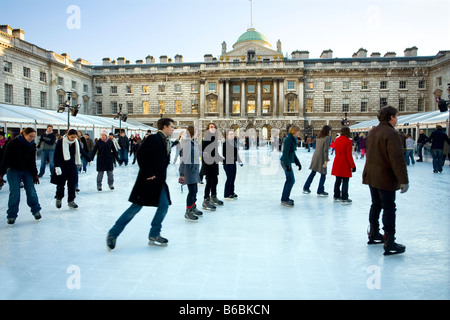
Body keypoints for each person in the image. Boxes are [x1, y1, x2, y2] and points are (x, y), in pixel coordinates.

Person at [106, 118, 175, 249]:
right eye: (171, 126)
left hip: (159, 182)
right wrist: (148, 173)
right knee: (135, 208)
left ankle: (154, 234)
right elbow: (141, 155)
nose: (173, 129)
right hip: (147, 182)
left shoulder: (165, 141)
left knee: (164, 205)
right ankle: (113, 233)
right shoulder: (153, 139)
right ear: (164, 127)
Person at [362, 106, 409, 255]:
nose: (397, 120)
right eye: (396, 116)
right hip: (385, 176)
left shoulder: (372, 131)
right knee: (389, 207)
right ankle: (390, 242)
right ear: (391, 117)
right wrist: (403, 180)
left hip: (372, 175)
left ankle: (374, 233)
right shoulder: (391, 133)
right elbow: (397, 159)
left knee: (376, 204)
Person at [0, 128, 42, 224]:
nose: (32, 138)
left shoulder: (32, 145)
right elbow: (5, 159)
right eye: (30, 136)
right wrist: (1, 174)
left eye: (34, 137)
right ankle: (11, 215)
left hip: (27, 171)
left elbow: (32, 161)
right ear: (24, 134)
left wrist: (34, 174)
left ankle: (36, 210)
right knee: (15, 193)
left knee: (31, 191)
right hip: (13, 170)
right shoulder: (13, 143)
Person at [52, 129, 82, 209]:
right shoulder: (60, 142)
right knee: (61, 184)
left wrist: (89, 158)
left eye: (75, 137)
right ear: (67, 135)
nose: (73, 139)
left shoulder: (76, 142)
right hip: (62, 166)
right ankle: (59, 198)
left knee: (72, 184)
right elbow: (56, 155)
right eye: (72, 137)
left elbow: (81, 151)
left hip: (72, 165)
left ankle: (71, 201)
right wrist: (57, 166)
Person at [179, 126, 203, 222]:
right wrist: (182, 174)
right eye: (197, 132)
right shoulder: (187, 143)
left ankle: (193, 207)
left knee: (195, 191)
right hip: (189, 171)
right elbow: (183, 159)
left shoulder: (193, 143)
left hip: (194, 170)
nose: (198, 134)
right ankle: (188, 210)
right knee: (192, 191)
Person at [303, 125, 331, 197]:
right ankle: (320, 190)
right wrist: (326, 160)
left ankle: (306, 187)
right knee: (323, 174)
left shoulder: (318, 137)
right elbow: (325, 150)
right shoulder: (327, 138)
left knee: (313, 172)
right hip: (321, 157)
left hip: (315, 156)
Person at [331, 127, 356, 204]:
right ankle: (344, 197)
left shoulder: (337, 139)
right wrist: (353, 165)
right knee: (345, 180)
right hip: (344, 162)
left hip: (337, 161)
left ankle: (336, 195)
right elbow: (349, 155)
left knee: (338, 180)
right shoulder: (348, 141)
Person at [202, 123, 224, 211]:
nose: (213, 128)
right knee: (209, 182)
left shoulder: (214, 140)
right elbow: (204, 154)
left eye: (214, 127)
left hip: (214, 164)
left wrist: (223, 160)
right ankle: (206, 200)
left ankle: (213, 197)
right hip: (208, 165)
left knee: (215, 181)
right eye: (211, 127)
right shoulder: (205, 140)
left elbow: (215, 153)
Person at [280, 125, 302, 207]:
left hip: (287, 162)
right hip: (285, 162)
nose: (299, 132)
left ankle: (284, 198)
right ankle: (284, 199)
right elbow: (285, 153)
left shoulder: (292, 139)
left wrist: (298, 163)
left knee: (289, 180)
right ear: (294, 131)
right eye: (298, 131)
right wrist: (287, 165)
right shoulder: (288, 140)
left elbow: (292, 153)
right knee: (291, 180)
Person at [223, 129, 243, 200]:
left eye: (232, 134)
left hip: (233, 163)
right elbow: (224, 154)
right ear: (227, 135)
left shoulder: (234, 143)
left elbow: (236, 154)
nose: (232, 135)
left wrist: (239, 161)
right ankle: (227, 194)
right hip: (227, 163)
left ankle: (232, 192)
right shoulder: (225, 143)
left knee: (233, 178)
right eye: (230, 134)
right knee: (229, 178)